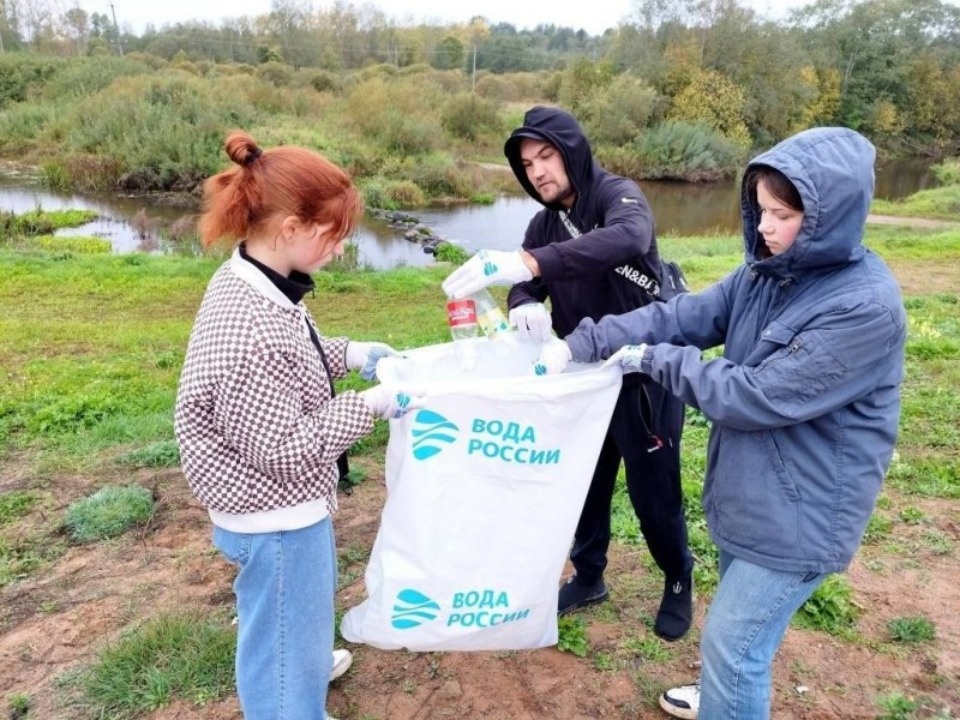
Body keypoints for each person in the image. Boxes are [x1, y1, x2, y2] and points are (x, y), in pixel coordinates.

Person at [532, 126, 907, 719]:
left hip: (802, 516)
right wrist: (586, 342)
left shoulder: (863, 308)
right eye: (760, 210)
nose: (764, 228)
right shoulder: (767, 272)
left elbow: (754, 395)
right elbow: (685, 314)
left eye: (783, 216)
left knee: (734, 648)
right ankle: (726, 699)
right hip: (754, 499)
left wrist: (653, 360)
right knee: (741, 644)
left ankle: (728, 695)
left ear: (830, 217)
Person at [174, 130, 421, 720]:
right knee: (282, 637)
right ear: (289, 228)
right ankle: (289, 695)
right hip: (273, 517)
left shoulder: (260, 283)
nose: (338, 250)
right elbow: (284, 448)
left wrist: (353, 352)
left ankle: (301, 658)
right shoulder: (248, 327)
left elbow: (297, 355)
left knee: (292, 619)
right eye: (331, 236)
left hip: (277, 509)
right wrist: (374, 404)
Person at [442, 105, 695, 641]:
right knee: (584, 482)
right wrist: (522, 299)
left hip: (639, 373)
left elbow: (628, 238)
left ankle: (678, 576)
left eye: (546, 155)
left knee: (654, 493)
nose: (537, 172)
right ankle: (589, 575)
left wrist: (533, 265)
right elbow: (524, 277)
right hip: (577, 374)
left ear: (571, 149)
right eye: (527, 164)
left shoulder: (616, 195)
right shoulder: (543, 221)